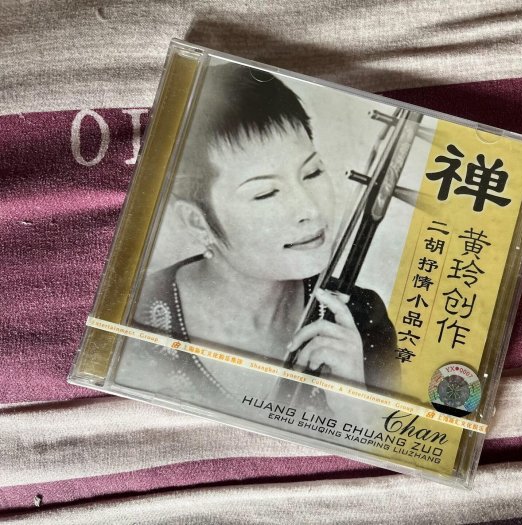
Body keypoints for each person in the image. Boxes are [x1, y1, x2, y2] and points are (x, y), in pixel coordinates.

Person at [116, 63, 399, 415]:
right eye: (266, 193)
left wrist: (356, 407)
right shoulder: (133, 310)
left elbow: (394, 435)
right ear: (197, 221)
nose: (310, 209)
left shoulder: (360, 316)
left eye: (312, 172)